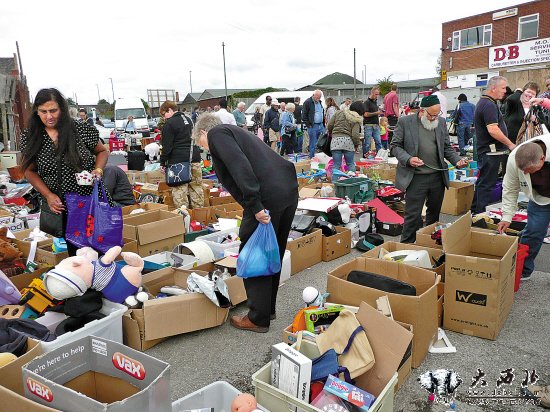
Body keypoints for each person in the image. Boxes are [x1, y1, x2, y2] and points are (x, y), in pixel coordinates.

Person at [192, 114, 298, 333]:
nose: (205, 149)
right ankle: (266, 309)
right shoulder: (236, 132)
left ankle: (258, 318)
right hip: (286, 191)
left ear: (203, 133)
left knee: (255, 252)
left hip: (265, 197)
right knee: (272, 251)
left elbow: (239, 166)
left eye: (200, 144)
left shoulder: (217, 134)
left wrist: (255, 204)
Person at [20, 88, 108, 256]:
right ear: (36, 112)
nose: (49, 116)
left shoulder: (79, 129)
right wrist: (48, 195)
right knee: (77, 255)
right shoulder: (31, 136)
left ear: (62, 109)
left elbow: (102, 151)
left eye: (53, 110)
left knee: (101, 249)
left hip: (90, 201)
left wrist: (98, 170)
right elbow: (29, 171)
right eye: (43, 112)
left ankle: (105, 280)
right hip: (63, 207)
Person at [390, 94, 468, 243]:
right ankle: (406, 246)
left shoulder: (441, 122)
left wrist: (458, 161)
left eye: (437, 115)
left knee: (434, 215)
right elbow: (394, 146)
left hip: (437, 177)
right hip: (416, 177)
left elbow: (446, 148)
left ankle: (429, 243)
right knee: (413, 215)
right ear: (422, 111)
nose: (434, 118)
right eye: (431, 115)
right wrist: (408, 159)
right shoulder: (405, 122)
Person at [498, 137, 550, 281]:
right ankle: (523, 269)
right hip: (539, 199)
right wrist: (507, 216)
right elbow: (510, 188)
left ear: (542, 159)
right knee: (534, 231)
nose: (526, 174)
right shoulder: (514, 158)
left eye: (530, 170)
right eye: (523, 171)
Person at [471, 76, 516, 215]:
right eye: (503, 88)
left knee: (482, 183)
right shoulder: (488, 105)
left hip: (489, 152)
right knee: (486, 184)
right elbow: (493, 130)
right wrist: (510, 144)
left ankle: (474, 212)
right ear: (493, 88)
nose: (505, 91)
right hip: (491, 152)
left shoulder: (486, 102)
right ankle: (480, 215)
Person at [159, 100, 204, 209]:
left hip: (178, 162)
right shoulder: (190, 120)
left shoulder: (169, 124)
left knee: (180, 191)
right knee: (196, 188)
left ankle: (185, 219)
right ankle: (200, 217)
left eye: (164, 114)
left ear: (169, 110)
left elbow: (167, 147)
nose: (164, 117)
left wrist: (163, 162)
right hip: (194, 158)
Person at [327, 101, 363, 173]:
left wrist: (332, 132)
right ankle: (351, 181)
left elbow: (329, 125)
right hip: (348, 142)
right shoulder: (356, 118)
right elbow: (355, 135)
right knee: (350, 164)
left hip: (335, 141)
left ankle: (335, 182)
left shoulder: (339, 112)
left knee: (336, 164)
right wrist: (356, 145)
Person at [302, 90, 325, 158]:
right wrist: (308, 125)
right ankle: (312, 157)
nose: (318, 99)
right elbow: (304, 115)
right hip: (313, 125)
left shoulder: (319, 102)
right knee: (313, 142)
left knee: (322, 142)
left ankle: (320, 157)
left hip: (320, 125)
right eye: (317, 97)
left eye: (319, 97)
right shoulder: (307, 102)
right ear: (313, 95)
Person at [363, 87, 383, 155]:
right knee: (367, 143)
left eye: (378, 94)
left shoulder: (375, 102)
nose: (377, 96)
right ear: (372, 93)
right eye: (376, 94)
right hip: (368, 125)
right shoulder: (366, 102)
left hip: (376, 125)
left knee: (378, 142)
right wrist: (376, 113)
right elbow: (365, 114)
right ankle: (365, 156)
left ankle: (380, 157)